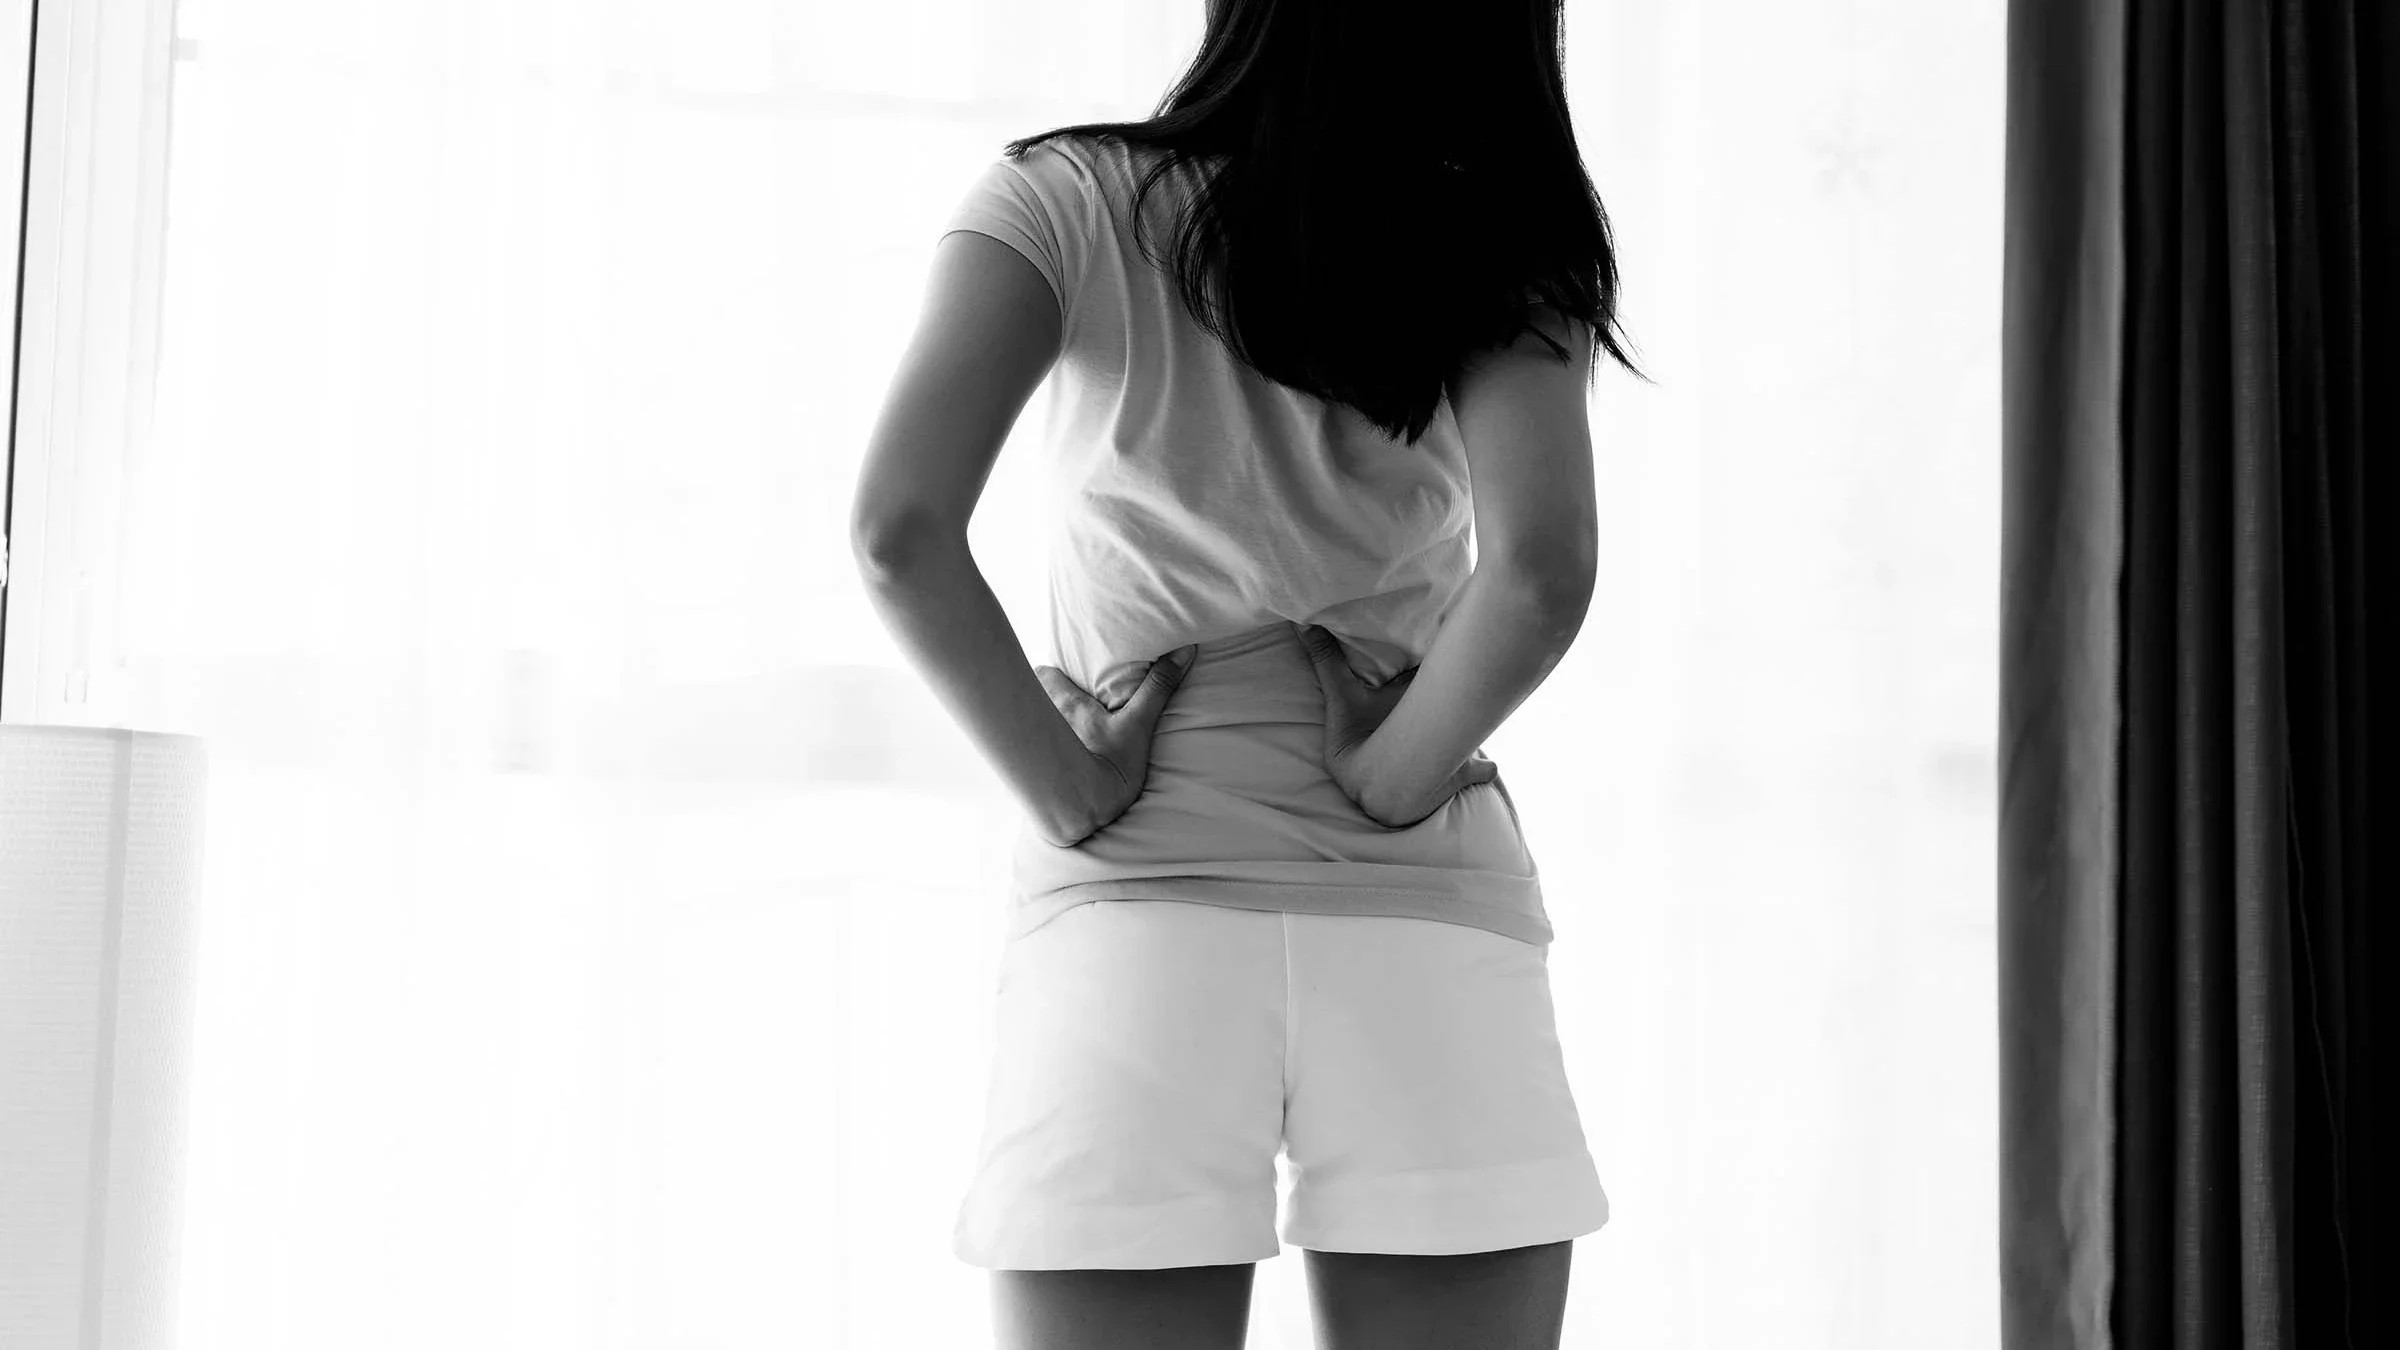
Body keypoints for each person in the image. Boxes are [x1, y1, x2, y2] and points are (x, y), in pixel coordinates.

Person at [850, 2, 1647, 1345]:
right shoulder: (1498, 230)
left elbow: (898, 531)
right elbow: (1540, 572)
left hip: (1135, 924)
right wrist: (1396, 775)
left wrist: (1067, 784)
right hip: (1425, 927)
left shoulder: (1061, 196)